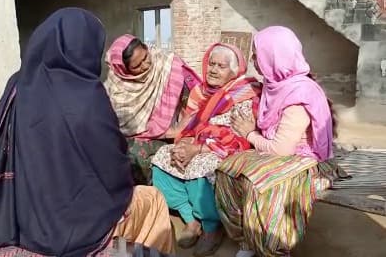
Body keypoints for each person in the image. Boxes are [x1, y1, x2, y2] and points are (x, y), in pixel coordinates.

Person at [0, 8, 174, 257]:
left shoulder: (17, 85)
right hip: (76, 227)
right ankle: (123, 251)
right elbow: (112, 165)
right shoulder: (86, 94)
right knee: (152, 200)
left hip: (18, 214)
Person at [216, 26, 345, 257]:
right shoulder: (274, 84)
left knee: (262, 184)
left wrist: (249, 134)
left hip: (304, 160)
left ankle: (273, 247)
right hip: (277, 151)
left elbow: (281, 149)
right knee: (227, 172)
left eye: (258, 54)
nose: (254, 59)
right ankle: (248, 237)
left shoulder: (298, 93)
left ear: (274, 57)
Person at [150, 43, 261, 256]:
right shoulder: (200, 92)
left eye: (221, 66)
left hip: (226, 151)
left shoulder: (245, 93)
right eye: (211, 63)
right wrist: (184, 145)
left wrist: (198, 148)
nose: (213, 70)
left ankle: (211, 227)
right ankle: (190, 219)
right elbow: (188, 126)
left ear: (234, 71)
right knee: (162, 157)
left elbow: (240, 138)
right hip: (199, 144)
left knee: (200, 165)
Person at [104, 35, 201, 184]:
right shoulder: (115, 87)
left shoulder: (168, 66)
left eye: (145, 57)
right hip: (136, 140)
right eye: (137, 66)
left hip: (177, 135)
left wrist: (181, 130)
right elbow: (115, 125)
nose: (146, 65)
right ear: (124, 70)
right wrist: (169, 130)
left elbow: (197, 98)